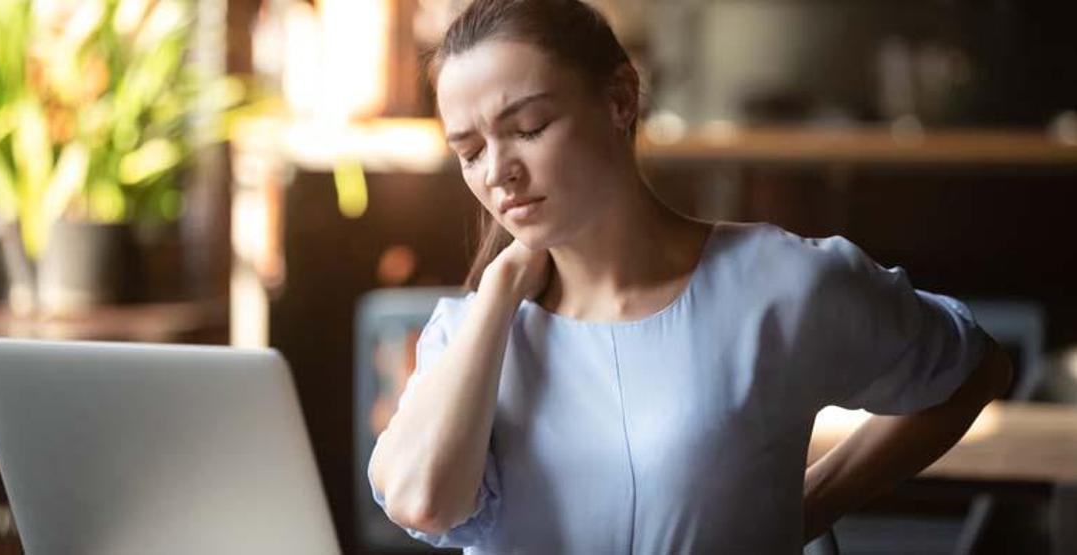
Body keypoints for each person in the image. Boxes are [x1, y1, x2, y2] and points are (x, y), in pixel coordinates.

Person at [367, 0, 1014, 552]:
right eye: (470, 151)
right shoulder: (469, 332)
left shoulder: (778, 284)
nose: (497, 172)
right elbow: (423, 501)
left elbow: (974, 369)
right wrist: (504, 285)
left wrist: (810, 505)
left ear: (620, 99)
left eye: (529, 127)